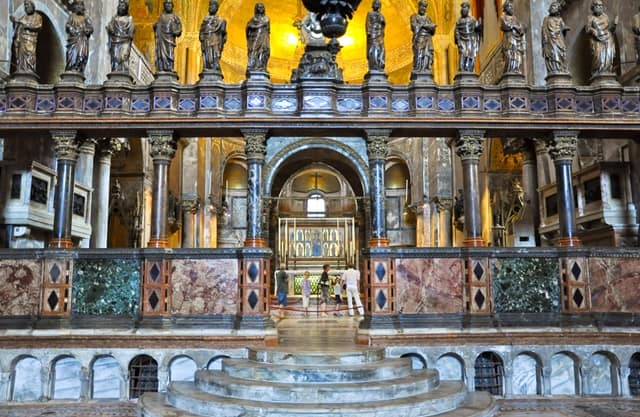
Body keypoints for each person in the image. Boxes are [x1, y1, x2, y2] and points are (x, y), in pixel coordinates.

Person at [10, 0, 43, 75]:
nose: (26, 7)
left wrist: (27, 26)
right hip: (21, 39)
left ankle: (29, 70)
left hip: (30, 40)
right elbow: (19, 26)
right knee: (20, 57)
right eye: (25, 6)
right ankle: (21, 69)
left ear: (32, 6)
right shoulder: (24, 16)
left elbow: (39, 26)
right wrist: (15, 22)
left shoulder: (37, 16)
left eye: (27, 5)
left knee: (30, 56)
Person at [585, 0, 616, 76]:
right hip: (597, 40)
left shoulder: (605, 17)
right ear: (593, 7)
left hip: (608, 39)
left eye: (600, 6)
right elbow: (587, 29)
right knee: (597, 56)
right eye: (597, 5)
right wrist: (593, 30)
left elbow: (610, 29)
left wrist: (614, 24)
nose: (599, 7)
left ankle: (607, 70)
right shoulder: (590, 17)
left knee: (608, 56)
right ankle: (597, 71)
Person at [65, 0, 93, 73]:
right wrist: (72, 29)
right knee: (72, 55)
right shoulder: (72, 16)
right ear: (74, 7)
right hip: (73, 40)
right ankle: (71, 67)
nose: (79, 7)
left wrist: (87, 30)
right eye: (77, 5)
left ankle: (78, 68)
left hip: (82, 39)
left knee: (81, 55)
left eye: (81, 6)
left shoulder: (85, 18)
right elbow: (68, 25)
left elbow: (90, 28)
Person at [154, 0, 182, 73]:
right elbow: (157, 25)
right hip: (161, 38)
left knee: (169, 53)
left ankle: (169, 67)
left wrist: (177, 31)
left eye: (170, 4)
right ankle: (161, 67)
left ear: (172, 6)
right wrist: (155, 26)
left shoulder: (174, 17)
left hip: (169, 38)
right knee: (161, 53)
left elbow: (179, 27)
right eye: (166, 4)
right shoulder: (161, 17)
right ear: (164, 6)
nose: (168, 5)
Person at [106, 0, 134, 73]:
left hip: (125, 41)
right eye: (119, 6)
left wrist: (130, 34)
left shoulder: (129, 18)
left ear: (126, 8)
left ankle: (123, 71)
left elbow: (131, 30)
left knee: (124, 56)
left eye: (123, 6)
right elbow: (109, 26)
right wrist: (110, 28)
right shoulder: (114, 18)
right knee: (115, 58)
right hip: (115, 40)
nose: (121, 8)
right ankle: (115, 71)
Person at [542, 1, 569, 75]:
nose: (552, 8)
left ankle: (561, 69)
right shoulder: (546, 19)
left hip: (559, 40)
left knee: (561, 54)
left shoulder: (560, 19)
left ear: (558, 9)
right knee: (553, 54)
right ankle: (554, 69)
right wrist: (545, 42)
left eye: (554, 6)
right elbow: (544, 31)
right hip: (550, 41)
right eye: (551, 6)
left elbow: (563, 28)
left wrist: (564, 29)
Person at [200, 0, 227, 73]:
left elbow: (223, 35)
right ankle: (208, 66)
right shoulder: (205, 20)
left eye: (213, 6)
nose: (211, 7)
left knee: (215, 54)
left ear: (216, 8)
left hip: (215, 40)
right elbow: (202, 30)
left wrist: (223, 30)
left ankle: (214, 66)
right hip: (206, 39)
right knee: (207, 55)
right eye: (210, 5)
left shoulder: (220, 20)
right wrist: (201, 36)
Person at [454, 2, 482, 73]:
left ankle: (469, 69)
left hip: (471, 41)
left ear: (468, 10)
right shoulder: (459, 21)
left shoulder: (472, 19)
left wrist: (479, 25)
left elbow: (476, 29)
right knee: (463, 54)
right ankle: (462, 69)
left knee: (471, 55)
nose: (464, 10)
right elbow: (456, 31)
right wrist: (459, 41)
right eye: (463, 9)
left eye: (465, 8)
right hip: (462, 41)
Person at [500, 0, 526, 75]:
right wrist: (514, 26)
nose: (511, 8)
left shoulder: (515, 18)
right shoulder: (503, 17)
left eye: (512, 7)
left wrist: (521, 28)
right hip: (509, 38)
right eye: (509, 7)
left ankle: (516, 68)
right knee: (509, 54)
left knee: (517, 54)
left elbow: (520, 28)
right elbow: (505, 26)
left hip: (516, 39)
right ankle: (510, 70)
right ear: (505, 8)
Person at [410, 0, 436, 73]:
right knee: (419, 54)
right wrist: (425, 26)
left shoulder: (428, 18)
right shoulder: (414, 16)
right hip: (419, 39)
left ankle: (426, 69)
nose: (423, 8)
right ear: (418, 6)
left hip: (428, 39)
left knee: (428, 55)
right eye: (422, 6)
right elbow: (414, 26)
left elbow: (432, 32)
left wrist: (432, 28)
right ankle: (418, 69)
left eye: (425, 7)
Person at [246, 2, 270, 73]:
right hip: (254, 38)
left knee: (264, 51)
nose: (261, 9)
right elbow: (247, 28)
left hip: (264, 38)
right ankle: (253, 66)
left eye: (262, 7)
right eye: (259, 7)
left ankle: (262, 67)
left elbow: (268, 31)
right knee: (253, 51)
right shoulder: (252, 19)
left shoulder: (266, 19)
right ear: (256, 9)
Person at [366, 0, 385, 72]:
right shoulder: (370, 13)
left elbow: (383, 24)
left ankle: (380, 63)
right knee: (374, 48)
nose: (376, 5)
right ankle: (374, 66)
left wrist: (382, 21)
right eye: (375, 3)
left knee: (382, 48)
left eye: (378, 4)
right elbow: (368, 23)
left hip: (380, 33)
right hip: (373, 33)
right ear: (373, 5)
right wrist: (368, 32)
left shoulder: (381, 15)